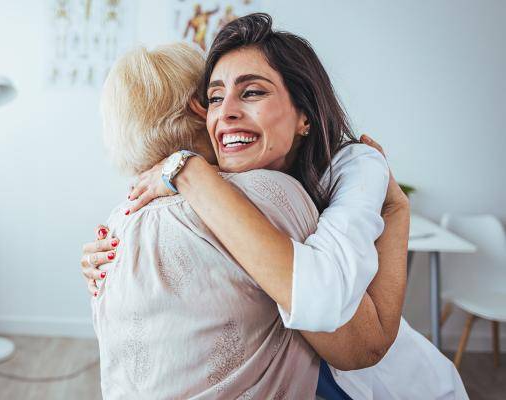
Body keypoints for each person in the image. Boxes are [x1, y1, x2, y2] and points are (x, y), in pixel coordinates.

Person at [84, 14, 467, 399]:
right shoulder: (192, 196)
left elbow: (360, 342)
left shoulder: (349, 168)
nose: (226, 111)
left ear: (305, 114)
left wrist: (188, 171)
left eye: (252, 92)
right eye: (215, 97)